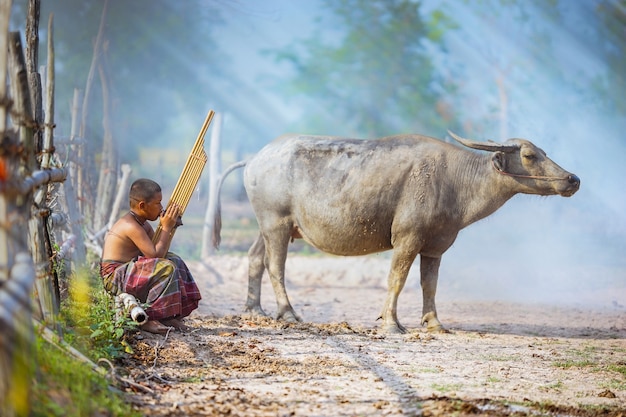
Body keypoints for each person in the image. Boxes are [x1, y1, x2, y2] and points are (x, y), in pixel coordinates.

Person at [100, 178, 202, 334]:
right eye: (158, 203)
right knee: (165, 267)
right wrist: (166, 228)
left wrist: (170, 225)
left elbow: (160, 250)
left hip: (130, 270)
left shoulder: (142, 223)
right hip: (115, 275)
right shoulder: (131, 225)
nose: (161, 207)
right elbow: (155, 256)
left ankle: (167, 316)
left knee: (174, 260)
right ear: (142, 205)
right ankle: (150, 317)